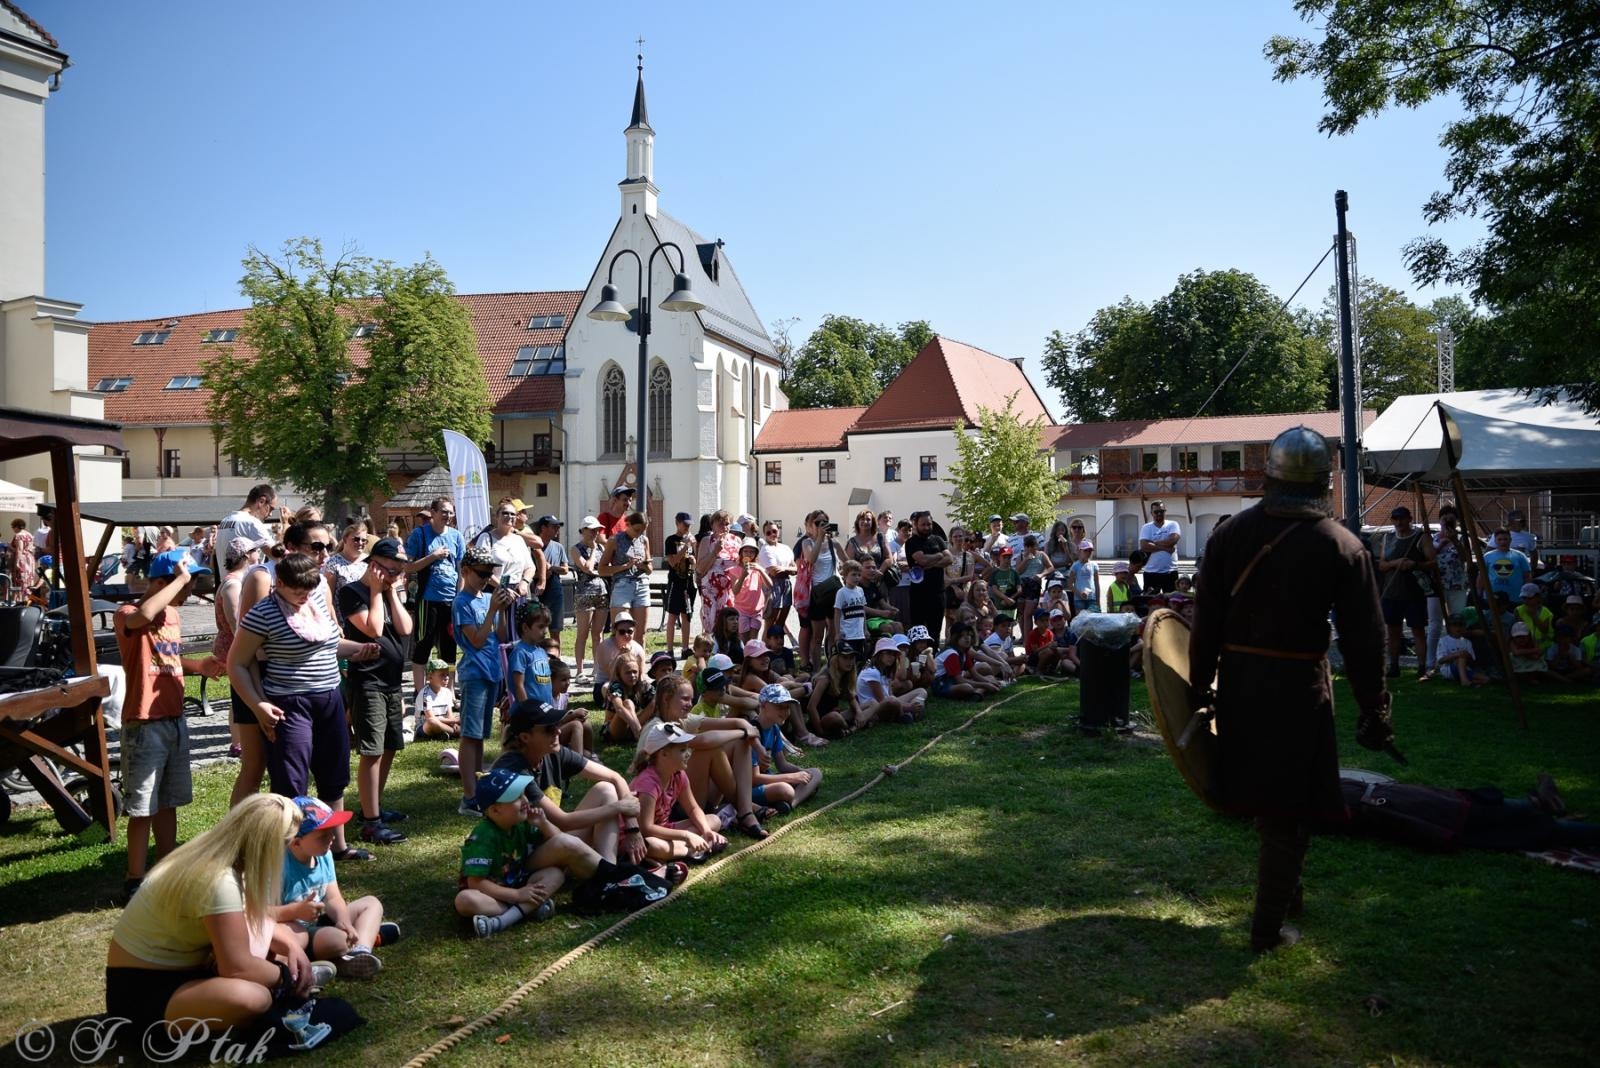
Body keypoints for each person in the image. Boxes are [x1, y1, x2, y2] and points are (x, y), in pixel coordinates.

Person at [1188, 425, 1390, 954]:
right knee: (1287, 806)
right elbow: (1366, 639)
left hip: (1241, 684)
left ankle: (1288, 892)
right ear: (1324, 482)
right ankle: (1266, 929)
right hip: (1299, 688)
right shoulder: (1341, 545)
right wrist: (1375, 707)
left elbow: (1205, 620)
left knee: (1270, 796)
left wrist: (1198, 686)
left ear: (1269, 476)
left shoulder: (1230, 535)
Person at [106, 794, 322, 1036]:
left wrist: (292, 947)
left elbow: (254, 918)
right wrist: (289, 978)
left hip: (186, 969)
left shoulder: (219, 852)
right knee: (253, 998)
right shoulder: (218, 880)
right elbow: (237, 968)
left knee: (292, 936)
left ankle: (283, 976)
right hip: (144, 990)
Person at [230, 552, 380, 863]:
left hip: (328, 698)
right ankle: (287, 853)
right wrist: (258, 705)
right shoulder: (263, 613)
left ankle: (336, 847)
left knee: (334, 775)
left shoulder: (316, 601)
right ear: (279, 583)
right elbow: (237, 663)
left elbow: (325, 643)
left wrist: (357, 650)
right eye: (298, 590)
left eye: (309, 589)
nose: (304, 596)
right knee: (290, 782)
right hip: (289, 703)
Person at [114, 549, 225, 902]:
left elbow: (170, 659)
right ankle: (135, 877)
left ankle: (166, 868)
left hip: (175, 720)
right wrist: (179, 578)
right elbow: (144, 614)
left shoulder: (173, 615)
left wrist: (199, 666)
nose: (188, 591)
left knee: (169, 802)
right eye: (183, 585)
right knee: (142, 805)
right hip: (144, 723)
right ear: (161, 582)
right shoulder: (128, 613)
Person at [455, 767, 640, 936]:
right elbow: (476, 883)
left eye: (523, 794)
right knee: (465, 901)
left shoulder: (522, 822)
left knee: (555, 875)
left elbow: (560, 840)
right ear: (495, 811)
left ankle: (513, 914)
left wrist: (543, 824)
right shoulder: (484, 836)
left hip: (520, 880)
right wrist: (517, 896)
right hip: (493, 892)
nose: (525, 801)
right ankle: (523, 910)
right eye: (517, 798)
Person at [492, 699, 647, 867]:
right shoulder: (514, 770)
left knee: (606, 789)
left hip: (551, 838)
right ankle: (607, 874)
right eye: (549, 729)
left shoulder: (551, 752)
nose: (558, 731)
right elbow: (563, 821)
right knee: (566, 842)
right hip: (521, 854)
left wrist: (632, 827)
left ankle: (609, 866)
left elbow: (615, 777)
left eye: (557, 724)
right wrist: (620, 807)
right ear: (525, 737)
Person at [338, 537, 414, 846]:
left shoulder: (389, 591)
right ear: (374, 566)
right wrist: (373, 591)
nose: (395, 576)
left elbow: (406, 628)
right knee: (371, 750)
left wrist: (392, 592)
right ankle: (370, 823)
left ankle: (376, 807)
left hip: (392, 681)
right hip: (367, 681)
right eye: (391, 571)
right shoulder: (351, 592)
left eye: (399, 571)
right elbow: (374, 629)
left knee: (391, 745)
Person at [274, 797, 397, 978]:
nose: (332, 837)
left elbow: (333, 898)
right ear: (296, 842)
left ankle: (360, 951)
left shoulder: (324, 855)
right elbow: (262, 915)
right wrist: (296, 911)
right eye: (323, 835)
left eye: (332, 830)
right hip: (294, 931)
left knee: (371, 903)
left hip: (318, 922)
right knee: (336, 940)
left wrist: (344, 920)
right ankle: (345, 953)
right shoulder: (279, 866)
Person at [453, 545, 517, 814]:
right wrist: (492, 608)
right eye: (481, 573)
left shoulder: (484, 598)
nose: (485, 577)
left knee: (480, 734)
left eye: (489, 572)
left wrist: (501, 609)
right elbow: (477, 641)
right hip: (474, 673)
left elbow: (500, 636)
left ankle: (477, 788)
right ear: (466, 571)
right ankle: (468, 796)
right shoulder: (461, 603)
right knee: (470, 735)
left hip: (491, 672)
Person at [628, 722, 728, 863]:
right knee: (653, 846)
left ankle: (695, 845)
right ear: (663, 754)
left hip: (664, 830)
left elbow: (693, 808)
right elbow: (646, 828)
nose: (688, 754)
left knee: (714, 820)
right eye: (682, 750)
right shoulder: (648, 783)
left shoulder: (678, 774)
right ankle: (692, 849)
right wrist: (686, 836)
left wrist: (706, 830)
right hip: (642, 837)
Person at [403, 497, 466, 693]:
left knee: (449, 649)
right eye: (444, 512)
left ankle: (449, 692)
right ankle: (420, 692)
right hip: (427, 600)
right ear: (433, 512)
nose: (447, 516)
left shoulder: (456, 536)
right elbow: (407, 566)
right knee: (423, 646)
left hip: (450, 601)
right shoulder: (420, 534)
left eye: (450, 512)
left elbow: (462, 569)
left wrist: (460, 596)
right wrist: (433, 556)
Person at [1377, 505, 1435, 680]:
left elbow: (1433, 562)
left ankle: (1422, 667)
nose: (1399, 522)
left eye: (1402, 518)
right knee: (1392, 631)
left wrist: (1414, 564)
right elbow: (1382, 565)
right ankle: (1393, 666)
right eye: (1395, 518)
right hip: (1392, 592)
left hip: (1414, 592)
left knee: (1418, 630)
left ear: (1409, 518)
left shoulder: (1421, 537)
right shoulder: (1387, 538)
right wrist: (1396, 563)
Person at [752, 685, 824, 812]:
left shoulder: (774, 729)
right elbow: (754, 778)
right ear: (763, 705)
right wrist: (792, 778)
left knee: (815, 773)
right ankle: (792, 798)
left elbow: (782, 764)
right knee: (785, 789)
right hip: (750, 788)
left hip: (767, 780)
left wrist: (803, 773)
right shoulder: (752, 733)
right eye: (779, 707)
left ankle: (790, 804)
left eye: (787, 707)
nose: (785, 712)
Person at [903, 510, 952, 643]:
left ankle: (934, 658)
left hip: (938, 592)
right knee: (918, 631)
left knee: (935, 631)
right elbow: (922, 560)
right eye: (923, 524)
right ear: (916, 525)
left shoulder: (938, 539)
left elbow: (949, 559)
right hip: (919, 594)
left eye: (929, 524)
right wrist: (938, 555)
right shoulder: (912, 542)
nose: (926, 527)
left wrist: (930, 564)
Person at [857, 637, 927, 726]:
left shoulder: (885, 671)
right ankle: (907, 713)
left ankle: (910, 711)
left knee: (921, 691)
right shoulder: (872, 672)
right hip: (873, 709)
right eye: (888, 653)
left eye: (894, 654)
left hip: (888, 703)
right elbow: (881, 700)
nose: (892, 657)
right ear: (879, 654)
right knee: (892, 700)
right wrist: (908, 706)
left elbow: (890, 694)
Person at [571, 516, 608, 680]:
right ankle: (579, 671)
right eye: (592, 529)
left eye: (597, 530)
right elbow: (587, 567)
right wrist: (593, 550)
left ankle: (597, 668)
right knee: (583, 633)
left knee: (598, 634)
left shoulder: (602, 547)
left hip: (602, 592)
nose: (595, 533)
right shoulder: (576, 549)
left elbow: (604, 568)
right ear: (583, 530)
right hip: (584, 593)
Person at [508, 601, 555, 706]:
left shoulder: (541, 651)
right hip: (529, 714)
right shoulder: (520, 653)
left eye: (547, 626)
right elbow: (518, 685)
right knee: (575, 723)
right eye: (541, 627)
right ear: (525, 628)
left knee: (583, 722)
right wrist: (528, 711)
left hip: (546, 709)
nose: (545, 631)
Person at [663, 512, 696, 657]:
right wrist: (684, 547)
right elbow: (672, 561)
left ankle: (685, 648)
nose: (687, 527)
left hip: (688, 583)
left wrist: (694, 561)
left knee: (687, 615)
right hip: (676, 582)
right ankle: (669, 649)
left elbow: (695, 561)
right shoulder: (671, 540)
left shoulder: (692, 540)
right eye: (685, 524)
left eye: (689, 524)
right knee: (672, 616)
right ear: (677, 523)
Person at [757, 519, 797, 638]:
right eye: (768, 533)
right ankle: (766, 649)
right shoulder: (766, 550)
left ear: (778, 531)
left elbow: (796, 568)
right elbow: (774, 571)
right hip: (772, 585)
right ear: (764, 534)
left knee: (781, 621)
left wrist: (784, 569)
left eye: (774, 531)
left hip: (786, 584)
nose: (772, 534)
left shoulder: (786, 548)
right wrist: (788, 569)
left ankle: (778, 648)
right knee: (770, 623)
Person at [216, 483, 278, 551]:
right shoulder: (251, 522)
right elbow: (276, 554)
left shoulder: (224, 521)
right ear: (261, 501)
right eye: (270, 509)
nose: (270, 514)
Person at [730, 537, 771, 641]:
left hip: (756, 610)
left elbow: (770, 585)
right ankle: (745, 657)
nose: (748, 554)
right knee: (744, 639)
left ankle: (753, 657)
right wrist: (743, 575)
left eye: (752, 551)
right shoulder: (735, 570)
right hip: (741, 610)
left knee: (754, 640)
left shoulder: (758, 569)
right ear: (741, 553)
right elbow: (735, 591)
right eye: (746, 551)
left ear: (756, 554)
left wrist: (761, 570)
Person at [1480, 528, 1532, 606]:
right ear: (1495, 541)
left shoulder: (1520, 556)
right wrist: (1479, 593)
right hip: (1492, 598)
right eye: (1500, 539)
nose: (1503, 542)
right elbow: (1481, 577)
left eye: (1505, 539)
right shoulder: (1487, 556)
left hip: (1515, 599)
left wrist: (1527, 595)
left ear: (1510, 540)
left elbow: (1527, 577)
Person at [534, 514, 568, 635]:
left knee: (555, 629)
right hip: (535, 590)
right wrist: (540, 574)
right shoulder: (532, 545)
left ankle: (555, 654)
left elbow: (565, 569)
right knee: (536, 627)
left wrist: (552, 568)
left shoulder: (558, 547)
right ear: (543, 528)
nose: (557, 530)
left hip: (555, 590)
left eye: (558, 527)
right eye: (554, 527)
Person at [1138, 501, 1181, 594]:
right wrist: (1165, 548)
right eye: (1156, 512)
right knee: (1150, 602)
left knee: (1172, 602)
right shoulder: (1146, 527)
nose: (1159, 514)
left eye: (1161, 511)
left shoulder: (1173, 524)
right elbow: (1144, 546)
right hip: (1151, 572)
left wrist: (1153, 542)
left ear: (1165, 512)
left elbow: (1172, 541)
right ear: (1151, 513)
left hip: (1170, 572)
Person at [1435, 614, 1489, 686]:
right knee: (1461, 657)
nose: (1458, 627)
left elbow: (1472, 660)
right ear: (1449, 627)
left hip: (1466, 669)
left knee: (1486, 679)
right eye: (1454, 625)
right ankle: (1464, 681)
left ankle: (1469, 681)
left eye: (1460, 625)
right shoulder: (1443, 641)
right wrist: (1456, 655)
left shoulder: (1467, 642)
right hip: (1448, 670)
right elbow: (1440, 660)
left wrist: (1466, 655)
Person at [414, 659, 460, 740]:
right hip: (425, 728)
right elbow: (430, 718)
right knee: (432, 721)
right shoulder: (425, 694)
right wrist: (455, 721)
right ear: (430, 677)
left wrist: (453, 722)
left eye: (447, 674)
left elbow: (450, 714)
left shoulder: (447, 692)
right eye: (442, 675)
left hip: (444, 723)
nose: (446, 678)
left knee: (464, 717)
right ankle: (454, 733)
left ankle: (443, 734)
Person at [833, 559, 870, 659]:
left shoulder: (860, 590)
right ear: (845, 576)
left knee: (860, 659)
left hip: (860, 634)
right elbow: (837, 613)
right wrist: (837, 633)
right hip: (847, 635)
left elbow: (862, 611)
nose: (856, 578)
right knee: (848, 659)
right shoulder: (842, 592)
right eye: (853, 575)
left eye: (858, 575)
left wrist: (865, 629)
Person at [1068, 539, 1101, 615]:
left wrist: (1098, 600)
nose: (1088, 553)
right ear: (1080, 551)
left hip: (1092, 598)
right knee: (1081, 621)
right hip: (1079, 599)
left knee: (1092, 620)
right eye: (1085, 550)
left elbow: (1097, 584)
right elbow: (1070, 584)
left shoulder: (1094, 565)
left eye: (1090, 550)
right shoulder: (1075, 565)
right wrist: (1079, 594)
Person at [7, 517, 37, 598]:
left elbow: (20, 549)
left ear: (17, 526)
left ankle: (20, 600)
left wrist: (17, 562)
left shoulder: (19, 535)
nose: (13, 529)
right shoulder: (29, 535)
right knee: (28, 579)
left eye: (13, 527)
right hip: (30, 559)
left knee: (20, 580)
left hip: (22, 559)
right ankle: (28, 598)